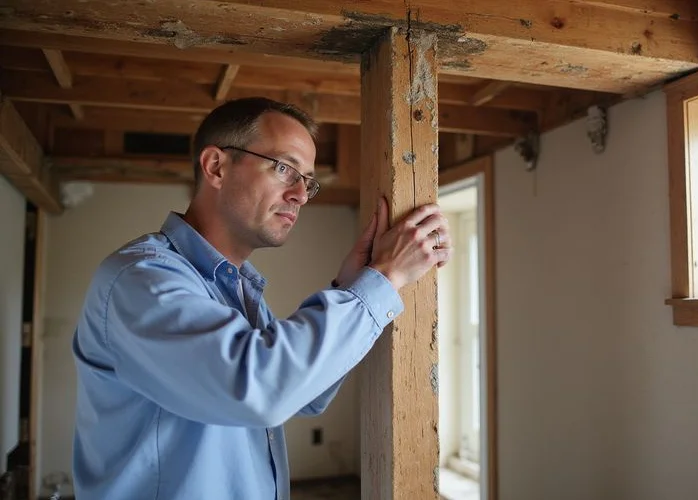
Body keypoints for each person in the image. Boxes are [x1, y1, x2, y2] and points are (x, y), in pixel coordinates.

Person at [71, 97, 451, 499]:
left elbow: (305, 394)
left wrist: (350, 287)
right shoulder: (141, 280)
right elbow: (262, 391)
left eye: (309, 180)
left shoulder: (232, 287)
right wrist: (384, 278)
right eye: (284, 168)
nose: (301, 195)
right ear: (216, 166)